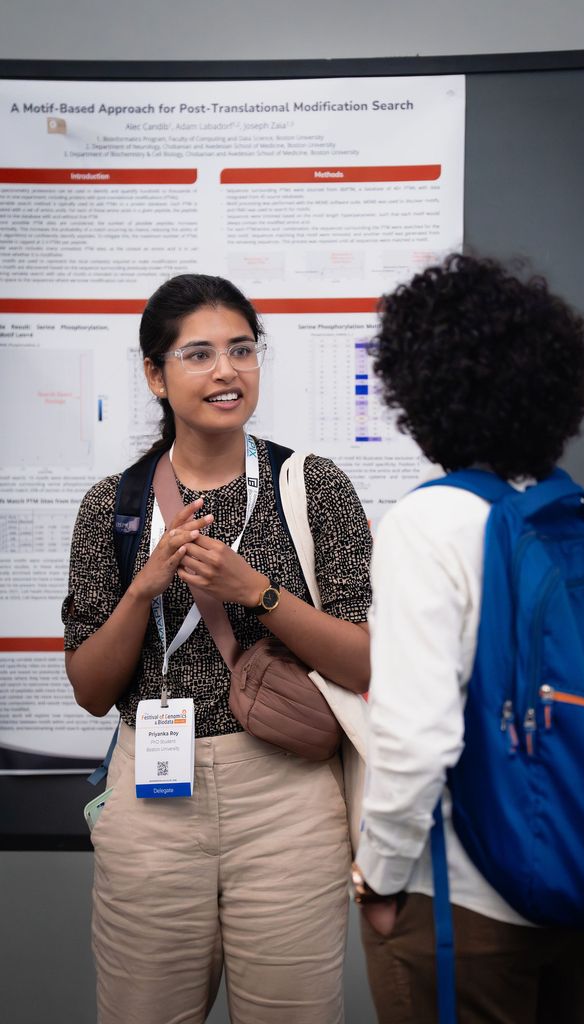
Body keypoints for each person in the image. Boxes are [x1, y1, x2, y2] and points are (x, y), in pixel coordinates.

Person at [351, 253, 584, 1024]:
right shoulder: (583, 515)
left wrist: (380, 876)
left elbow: (417, 738)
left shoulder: (425, 522)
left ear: (419, 391)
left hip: (467, 904)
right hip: (582, 880)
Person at [62, 273, 372, 1024]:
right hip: (152, 800)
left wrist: (256, 591)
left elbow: (365, 662)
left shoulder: (311, 486)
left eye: (242, 349)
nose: (226, 371)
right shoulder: (113, 506)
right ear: (155, 375)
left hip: (287, 795)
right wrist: (143, 589)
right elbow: (91, 691)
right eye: (197, 354)